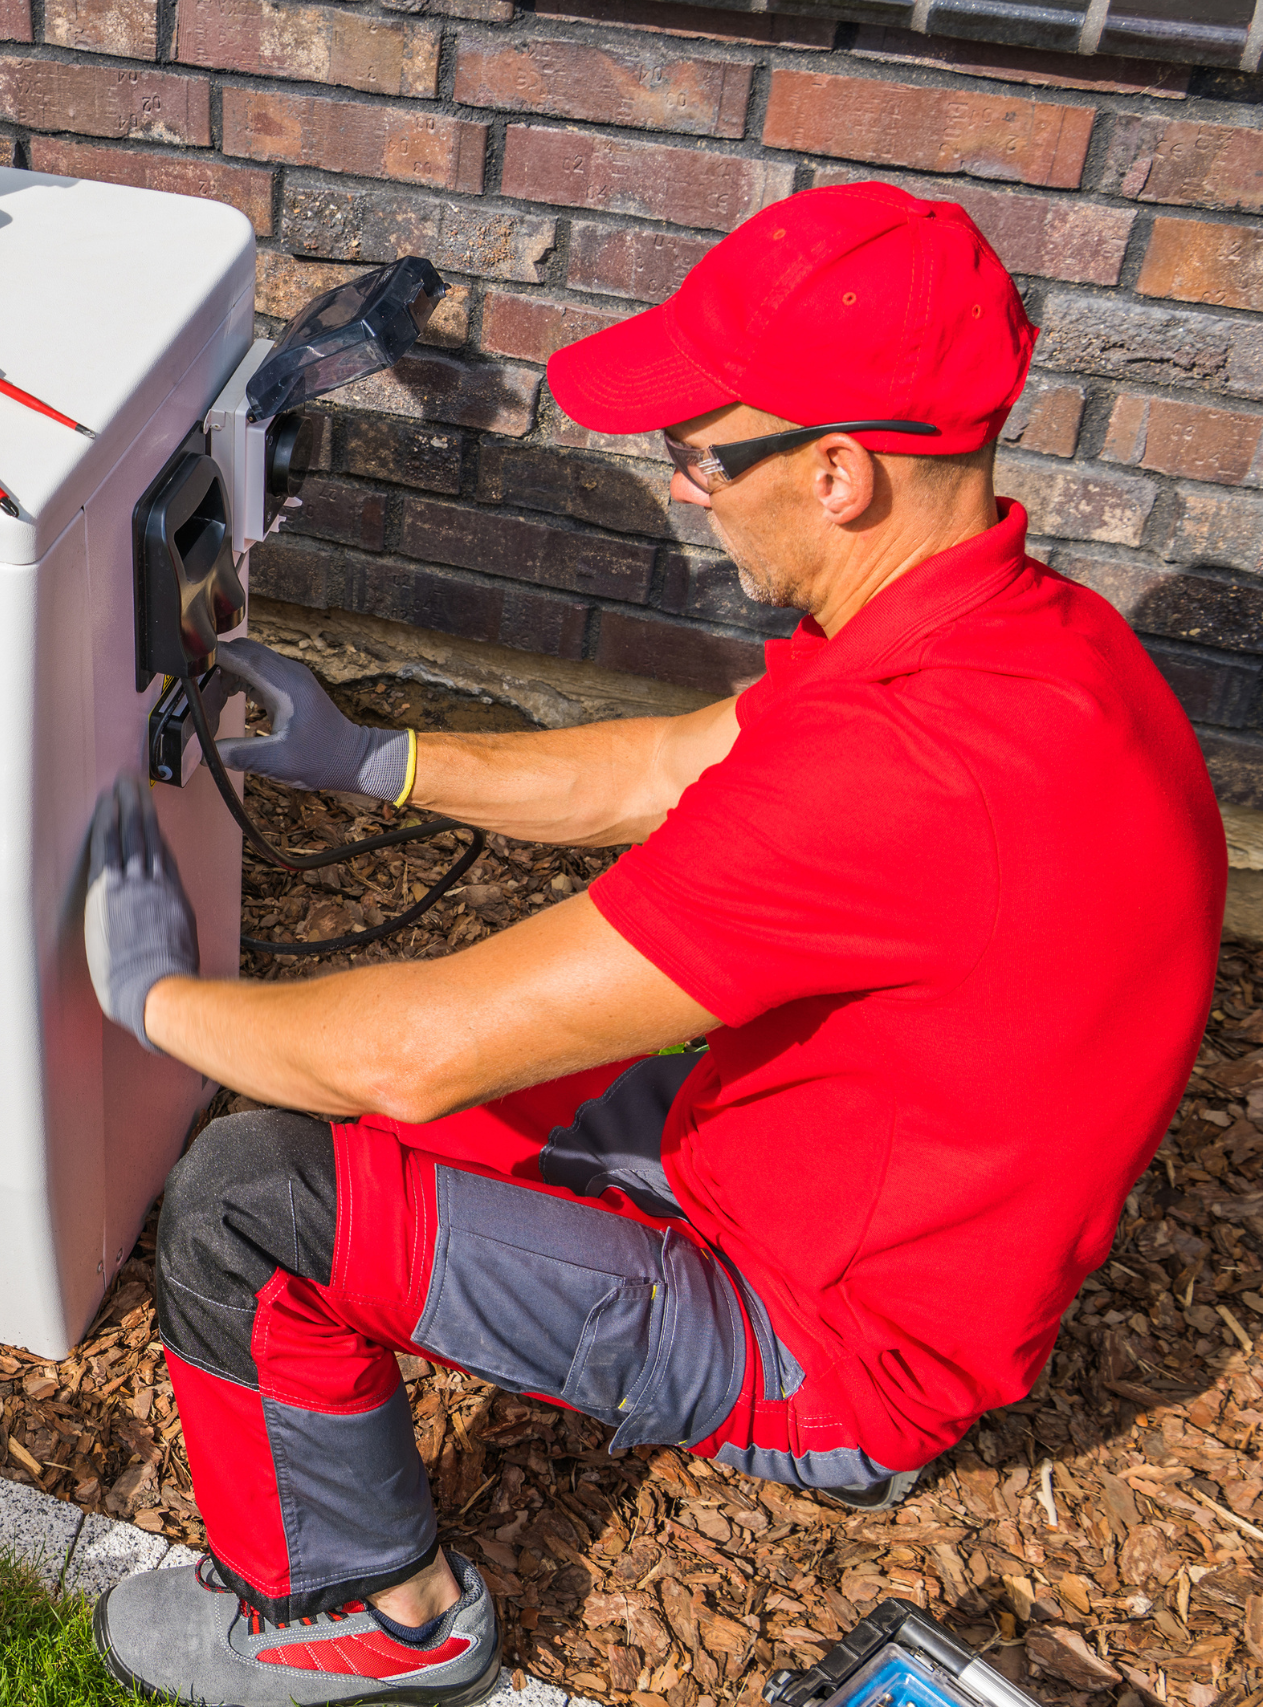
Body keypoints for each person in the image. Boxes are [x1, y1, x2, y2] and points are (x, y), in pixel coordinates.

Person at [78, 180, 1226, 1707]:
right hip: (818, 1180)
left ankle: (368, 1617)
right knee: (324, 1107)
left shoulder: (905, 773)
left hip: (829, 1345)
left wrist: (149, 994)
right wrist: (376, 760)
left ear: (836, 475)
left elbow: (409, 1054)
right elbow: (669, 764)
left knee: (242, 1196)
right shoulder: (1017, 638)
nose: (682, 487)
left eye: (698, 452)